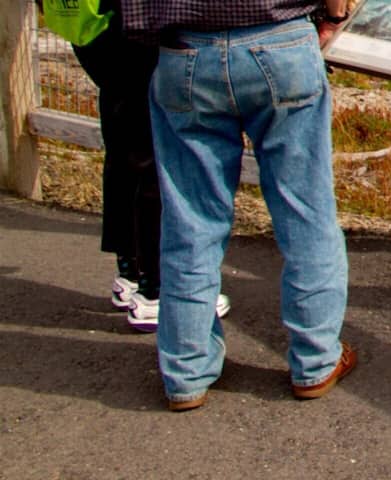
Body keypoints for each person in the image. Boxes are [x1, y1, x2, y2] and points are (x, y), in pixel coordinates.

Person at [124, 0, 357, 412]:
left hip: (184, 48)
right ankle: (316, 361)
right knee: (307, 212)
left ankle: (187, 371)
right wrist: (334, 17)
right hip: (281, 38)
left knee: (191, 221)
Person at [38, 0, 230, 332]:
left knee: (123, 138)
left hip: (92, 26)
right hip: (133, 27)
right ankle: (158, 288)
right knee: (156, 152)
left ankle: (129, 267)